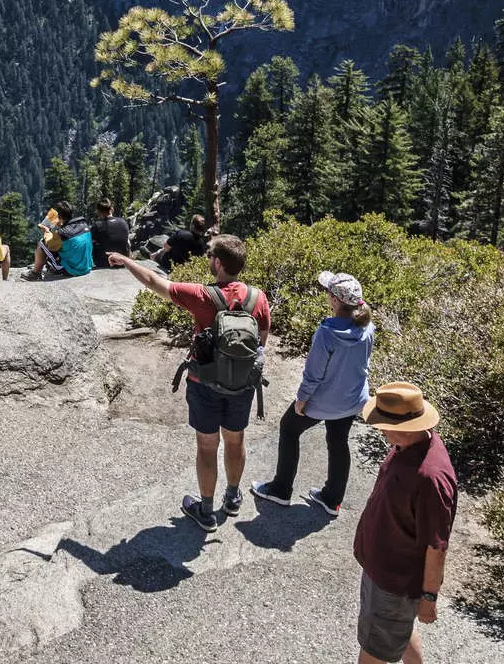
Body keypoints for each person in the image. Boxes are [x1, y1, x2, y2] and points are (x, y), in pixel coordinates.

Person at [112, 234, 272, 530]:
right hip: (242, 385)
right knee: (235, 440)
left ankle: (207, 511)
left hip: (205, 383)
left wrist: (126, 261)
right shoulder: (257, 297)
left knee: (207, 446)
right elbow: (261, 342)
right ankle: (233, 497)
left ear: (219, 263)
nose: (208, 259)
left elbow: (152, 281)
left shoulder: (202, 295)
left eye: (211, 255)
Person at [252, 271, 375, 515]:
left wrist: (301, 400)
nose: (326, 294)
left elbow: (313, 374)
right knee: (338, 441)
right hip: (352, 400)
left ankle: (280, 489)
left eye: (328, 291)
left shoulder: (327, 332)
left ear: (336, 301)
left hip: (324, 401)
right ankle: (331, 499)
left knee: (289, 428)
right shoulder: (367, 326)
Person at [351, 383, 457, 664]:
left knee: (374, 652)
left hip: (394, 584)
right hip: (382, 572)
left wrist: (428, 597)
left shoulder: (430, 478)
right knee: (398, 630)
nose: (379, 430)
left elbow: (437, 546)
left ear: (408, 426)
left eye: (383, 424)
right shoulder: (408, 444)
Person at [91, 200, 132, 267]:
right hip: (122, 262)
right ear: (112, 209)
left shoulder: (96, 225)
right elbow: (128, 243)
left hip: (104, 263)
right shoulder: (123, 222)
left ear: (98, 212)